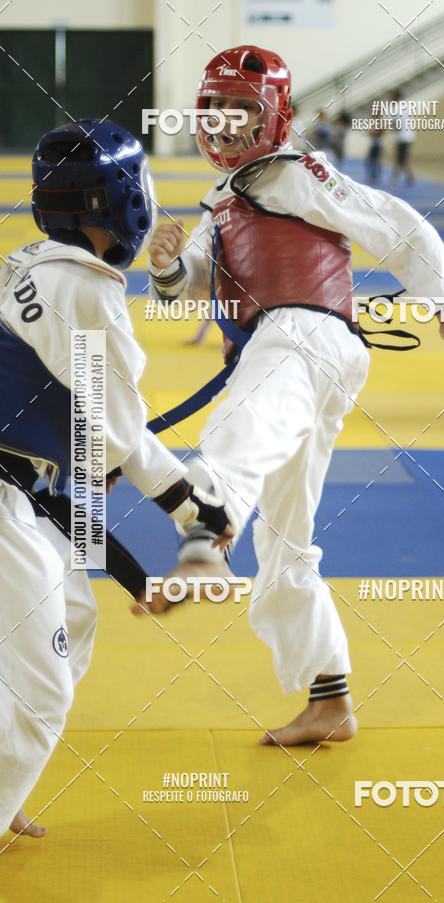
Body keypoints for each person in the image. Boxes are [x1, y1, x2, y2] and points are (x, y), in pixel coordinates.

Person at [146, 45, 444, 746]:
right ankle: (329, 698)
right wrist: (164, 267)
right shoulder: (225, 201)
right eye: (216, 110)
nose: (226, 125)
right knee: (285, 537)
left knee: (241, 423)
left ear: (275, 117)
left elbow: (390, 220)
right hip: (299, 355)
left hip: (305, 335)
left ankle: (207, 530)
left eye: (244, 110)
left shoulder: (295, 172)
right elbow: (198, 279)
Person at [0, 119, 233, 840]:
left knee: (72, 615)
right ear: (125, 201)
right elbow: (119, 433)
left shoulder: (26, 262)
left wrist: (136, 578)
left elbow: (80, 463)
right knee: (40, 692)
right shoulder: (90, 293)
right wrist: (193, 512)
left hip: (21, 495)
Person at [390, 90, 415, 186]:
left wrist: (390, 126)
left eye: (392, 97)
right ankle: (410, 176)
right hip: (404, 136)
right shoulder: (401, 107)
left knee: (400, 159)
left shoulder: (399, 108)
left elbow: (398, 123)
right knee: (403, 159)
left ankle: (395, 179)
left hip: (404, 137)